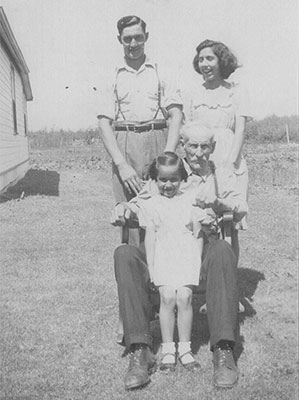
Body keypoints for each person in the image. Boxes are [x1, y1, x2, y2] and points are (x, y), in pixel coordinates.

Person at [110, 123, 248, 390]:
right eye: (192, 146)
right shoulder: (169, 172)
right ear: (182, 146)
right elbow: (139, 202)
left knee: (222, 249)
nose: (198, 153)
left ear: (213, 148)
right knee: (125, 253)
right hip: (165, 254)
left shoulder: (223, 175)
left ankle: (223, 349)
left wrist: (219, 205)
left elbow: (241, 207)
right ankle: (140, 349)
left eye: (204, 146)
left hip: (202, 254)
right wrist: (122, 207)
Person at [97, 15, 183, 246]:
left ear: (146, 37)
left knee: (163, 207)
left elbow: (175, 114)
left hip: (158, 139)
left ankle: (164, 275)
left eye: (138, 38)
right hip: (124, 143)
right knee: (128, 214)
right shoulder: (112, 74)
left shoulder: (161, 70)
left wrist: (168, 155)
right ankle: (135, 276)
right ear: (120, 40)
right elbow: (104, 122)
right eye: (127, 39)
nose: (133, 44)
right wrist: (121, 164)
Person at [130, 152, 203, 372]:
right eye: (163, 179)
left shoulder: (191, 201)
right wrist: (151, 268)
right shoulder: (151, 205)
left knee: (185, 296)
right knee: (168, 296)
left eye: (174, 179)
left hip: (186, 256)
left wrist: (197, 264)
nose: (168, 184)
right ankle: (169, 349)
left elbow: (198, 234)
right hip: (163, 257)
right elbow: (150, 238)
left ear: (182, 179)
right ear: (155, 179)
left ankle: (185, 349)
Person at [187, 39, 252, 259]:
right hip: (201, 159)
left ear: (221, 61)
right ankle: (205, 276)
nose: (205, 63)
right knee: (202, 217)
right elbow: (187, 131)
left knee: (229, 222)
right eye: (201, 59)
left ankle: (229, 276)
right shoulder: (194, 93)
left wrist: (230, 165)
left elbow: (240, 130)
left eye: (210, 58)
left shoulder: (236, 92)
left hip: (227, 158)